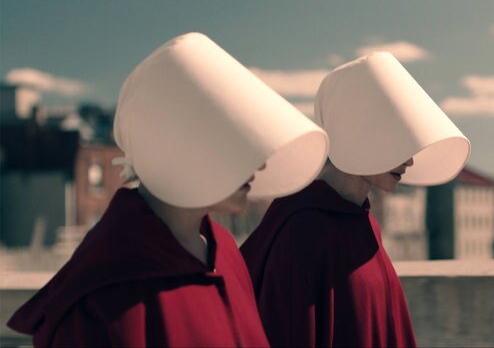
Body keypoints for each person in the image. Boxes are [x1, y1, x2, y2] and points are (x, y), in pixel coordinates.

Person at [7, 32, 329, 347]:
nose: (258, 166)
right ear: (178, 147)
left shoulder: (227, 252)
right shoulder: (95, 306)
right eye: (232, 144)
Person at [240, 52, 471, 347]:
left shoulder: (362, 221)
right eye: (396, 142)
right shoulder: (304, 229)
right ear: (360, 135)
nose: (409, 161)